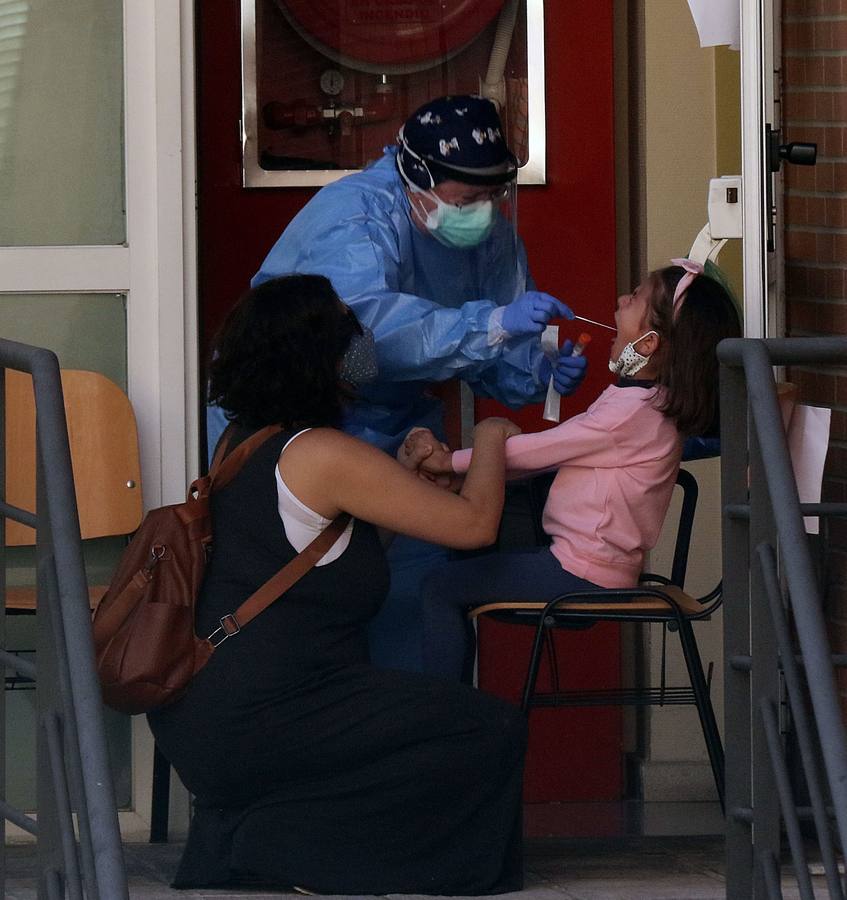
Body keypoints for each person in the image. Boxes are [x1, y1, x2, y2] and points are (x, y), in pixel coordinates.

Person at [149, 273, 528, 895]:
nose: (362, 344)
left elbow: (323, 558)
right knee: (484, 728)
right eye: (345, 330)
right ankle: (292, 851)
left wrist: (402, 477)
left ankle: (254, 837)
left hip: (208, 715)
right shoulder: (321, 451)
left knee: (422, 720)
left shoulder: (245, 443)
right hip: (269, 712)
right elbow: (476, 526)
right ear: (317, 355)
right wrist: (489, 436)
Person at [207, 94, 589, 671]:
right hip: (298, 425)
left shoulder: (493, 238)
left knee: (414, 602)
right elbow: (363, 338)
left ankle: (412, 740)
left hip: (399, 429)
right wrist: (486, 329)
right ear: (416, 177)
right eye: (465, 200)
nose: (482, 213)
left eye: (492, 196)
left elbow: (491, 354)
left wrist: (538, 373)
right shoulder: (354, 215)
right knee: (307, 603)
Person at [404, 260, 742, 681]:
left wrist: (448, 461)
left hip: (577, 572)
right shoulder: (649, 404)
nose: (621, 299)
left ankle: (441, 720)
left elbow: (539, 451)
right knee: (459, 570)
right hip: (594, 568)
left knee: (440, 586)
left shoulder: (631, 410)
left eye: (635, 297)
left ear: (650, 344)